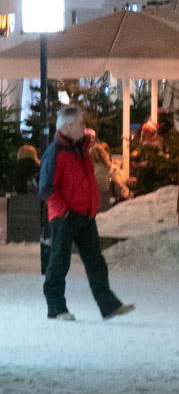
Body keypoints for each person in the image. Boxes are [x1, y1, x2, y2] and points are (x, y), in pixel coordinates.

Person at [39, 104, 134, 321]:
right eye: (80, 123)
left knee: (96, 262)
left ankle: (108, 305)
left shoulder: (81, 150)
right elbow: (45, 187)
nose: (84, 127)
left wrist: (90, 208)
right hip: (66, 216)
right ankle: (56, 308)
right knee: (59, 262)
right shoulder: (55, 152)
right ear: (67, 126)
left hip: (85, 215)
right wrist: (63, 211)